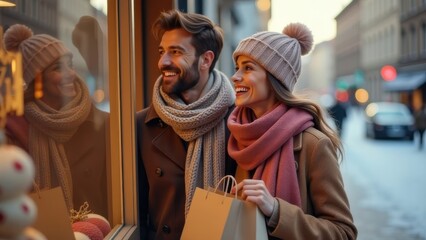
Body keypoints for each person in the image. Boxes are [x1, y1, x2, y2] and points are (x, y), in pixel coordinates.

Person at [228, 23, 357, 239]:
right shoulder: (235, 136)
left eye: (248, 68)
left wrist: (276, 211)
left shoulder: (313, 144)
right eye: (237, 67)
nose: (235, 76)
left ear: (275, 77)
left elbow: (343, 232)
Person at [136, 9, 236, 239]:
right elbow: (137, 215)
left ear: (206, 60)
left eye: (176, 52)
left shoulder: (237, 122)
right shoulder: (142, 125)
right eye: (162, 51)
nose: (163, 62)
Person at [3, 24, 110, 218]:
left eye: (70, 64)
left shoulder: (101, 124)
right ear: (37, 79)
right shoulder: (14, 130)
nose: (71, 74)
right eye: (58, 68)